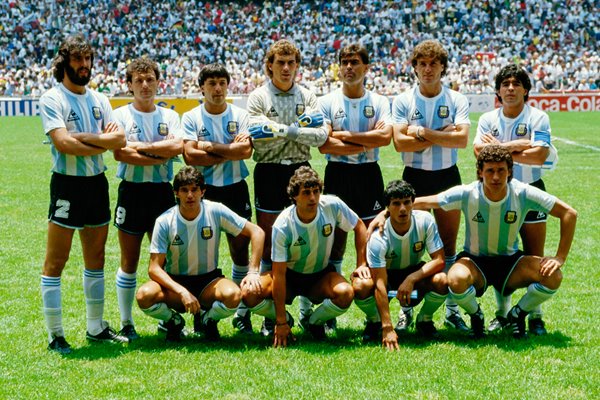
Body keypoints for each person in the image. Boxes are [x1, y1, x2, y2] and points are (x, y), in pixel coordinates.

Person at [415, 145, 576, 338]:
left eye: (501, 170)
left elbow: (569, 213)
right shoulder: (468, 193)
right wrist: (386, 213)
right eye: (490, 171)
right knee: (455, 278)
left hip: (510, 262)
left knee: (553, 276)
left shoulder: (522, 192)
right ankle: (476, 315)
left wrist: (560, 257)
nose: (496, 177)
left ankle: (517, 314)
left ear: (509, 171)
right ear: (480, 172)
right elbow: (425, 202)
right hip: (475, 262)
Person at [39, 34, 127, 354]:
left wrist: (85, 140)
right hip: (66, 184)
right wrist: (99, 141)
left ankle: (95, 327)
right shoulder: (53, 98)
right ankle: (56, 335)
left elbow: (119, 142)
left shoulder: (101, 100)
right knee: (57, 260)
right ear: (65, 63)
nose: (84, 65)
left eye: (88, 59)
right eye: (78, 59)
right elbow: (62, 144)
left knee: (97, 258)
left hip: (96, 184)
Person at [246, 39, 328, 336]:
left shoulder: (307, 94)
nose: (285, 67)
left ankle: (307, 311)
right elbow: (257, 135)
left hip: (301, 169)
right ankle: (271, 314)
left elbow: (319, 136)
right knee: (269, 241)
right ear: (269, 65)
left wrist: (279, 129)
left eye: (291, 62)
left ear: (297, 65)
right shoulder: (257, 96)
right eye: (279, 62)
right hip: (268, 171)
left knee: (308, 234)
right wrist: (296, 129)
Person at [391, 40, 470, 333]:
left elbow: (461, 140)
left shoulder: (456, 99)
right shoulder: (402, 101)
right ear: (414, 68)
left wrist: (422, 132)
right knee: (405, 247)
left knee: (448, 246)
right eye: (421, 64)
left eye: (433, 64)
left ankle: (450, 311)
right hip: (413, 178)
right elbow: (400, 143)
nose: (427, 69)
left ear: (442, 67)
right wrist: (442, 133)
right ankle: (406, 310)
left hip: (447, 176)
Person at [474, 64, 558, 335]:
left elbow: (539, 156)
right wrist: (520, 144)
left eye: (515, 83)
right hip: (498, 195)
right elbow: (478, 152)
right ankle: (501, 313)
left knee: (535, 256)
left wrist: (499, 149)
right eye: (505, 84)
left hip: (532, 190)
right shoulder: (488, 119)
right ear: (498, 90)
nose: (510, 88)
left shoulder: (538, 117)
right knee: (503, 254)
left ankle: (534, 314)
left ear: (525, 89)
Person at [241, 166, 367, 347]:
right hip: (289, 277)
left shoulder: (332, 205)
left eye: (316, 191)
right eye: (306, 193)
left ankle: (314, 322)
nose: (313, 198)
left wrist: (361, 263)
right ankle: (288, 320)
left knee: (346, 293)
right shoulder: (283, 225)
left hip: (320, 276)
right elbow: (279, 275)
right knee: (249, 293)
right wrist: (281, 321)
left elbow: (359, 226)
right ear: (294, 196)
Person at [135, 166, 264, 342]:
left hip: (208, 282)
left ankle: (208, 320)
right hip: (176, 283)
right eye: (184, 190)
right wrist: (181, 291)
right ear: (176, 193)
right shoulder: (165, 221)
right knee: (144, 295)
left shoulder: (215, 210)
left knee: (234, 295)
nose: (190, 195)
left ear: (203, 191)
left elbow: (257, 232)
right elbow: (154, 268)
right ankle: (174, 322)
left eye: (194, 189)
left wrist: (253, 271)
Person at [112, 57, 184, 341]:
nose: (144, 85)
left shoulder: (169, 116)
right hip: (131, 191)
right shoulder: (119, 116)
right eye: (138, 80)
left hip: (161, 193)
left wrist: (140, 147)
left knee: (166, 261)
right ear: (128, 85)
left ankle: (168, 320)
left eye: (150, 79)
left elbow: (177, 146)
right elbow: (120, 153)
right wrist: (159, 152)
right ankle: (126, 322)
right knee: (128, 260)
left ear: (158, 82)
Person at [182, 64, 255, 334]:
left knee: (239, 252)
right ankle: (203, 314)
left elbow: (246, 151)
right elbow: (190, 156)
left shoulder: (240, 114)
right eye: (211, 83)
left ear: (228, 85)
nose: (217, 88)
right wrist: (229, 149)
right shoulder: (191, 117)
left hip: (235, 187)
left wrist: (210, 146)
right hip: (204, 193)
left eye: (222, 82)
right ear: (202, 87)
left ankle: (241, 314)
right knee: (202, 255)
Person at [318, 43, 393, 282]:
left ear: (366, 68)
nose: (349, 67)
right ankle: (333, 291)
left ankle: (371, 301)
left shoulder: (379, 101)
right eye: (345, 63)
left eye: (355, 63)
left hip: (368, 173)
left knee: (372, 235)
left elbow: (384, 137)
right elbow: (324, 145)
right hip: (337, 172)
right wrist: (365, 143)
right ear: (339, 68)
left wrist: (345, 135)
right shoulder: (327, 101)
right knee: (335, 237)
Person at [353, 180, 447, 350]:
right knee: (361, 285)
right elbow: (380, 283)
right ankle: (375, 322)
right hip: (386, 274)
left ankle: (424, 320)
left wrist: (411, 278)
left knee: (441, 280)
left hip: (413, 271)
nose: (402, 208)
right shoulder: (379, 237)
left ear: (413, 203)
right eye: (396, 204)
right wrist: (388, 327)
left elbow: (439, 260)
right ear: (387, 208)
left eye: (406, 202)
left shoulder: (425, 220)